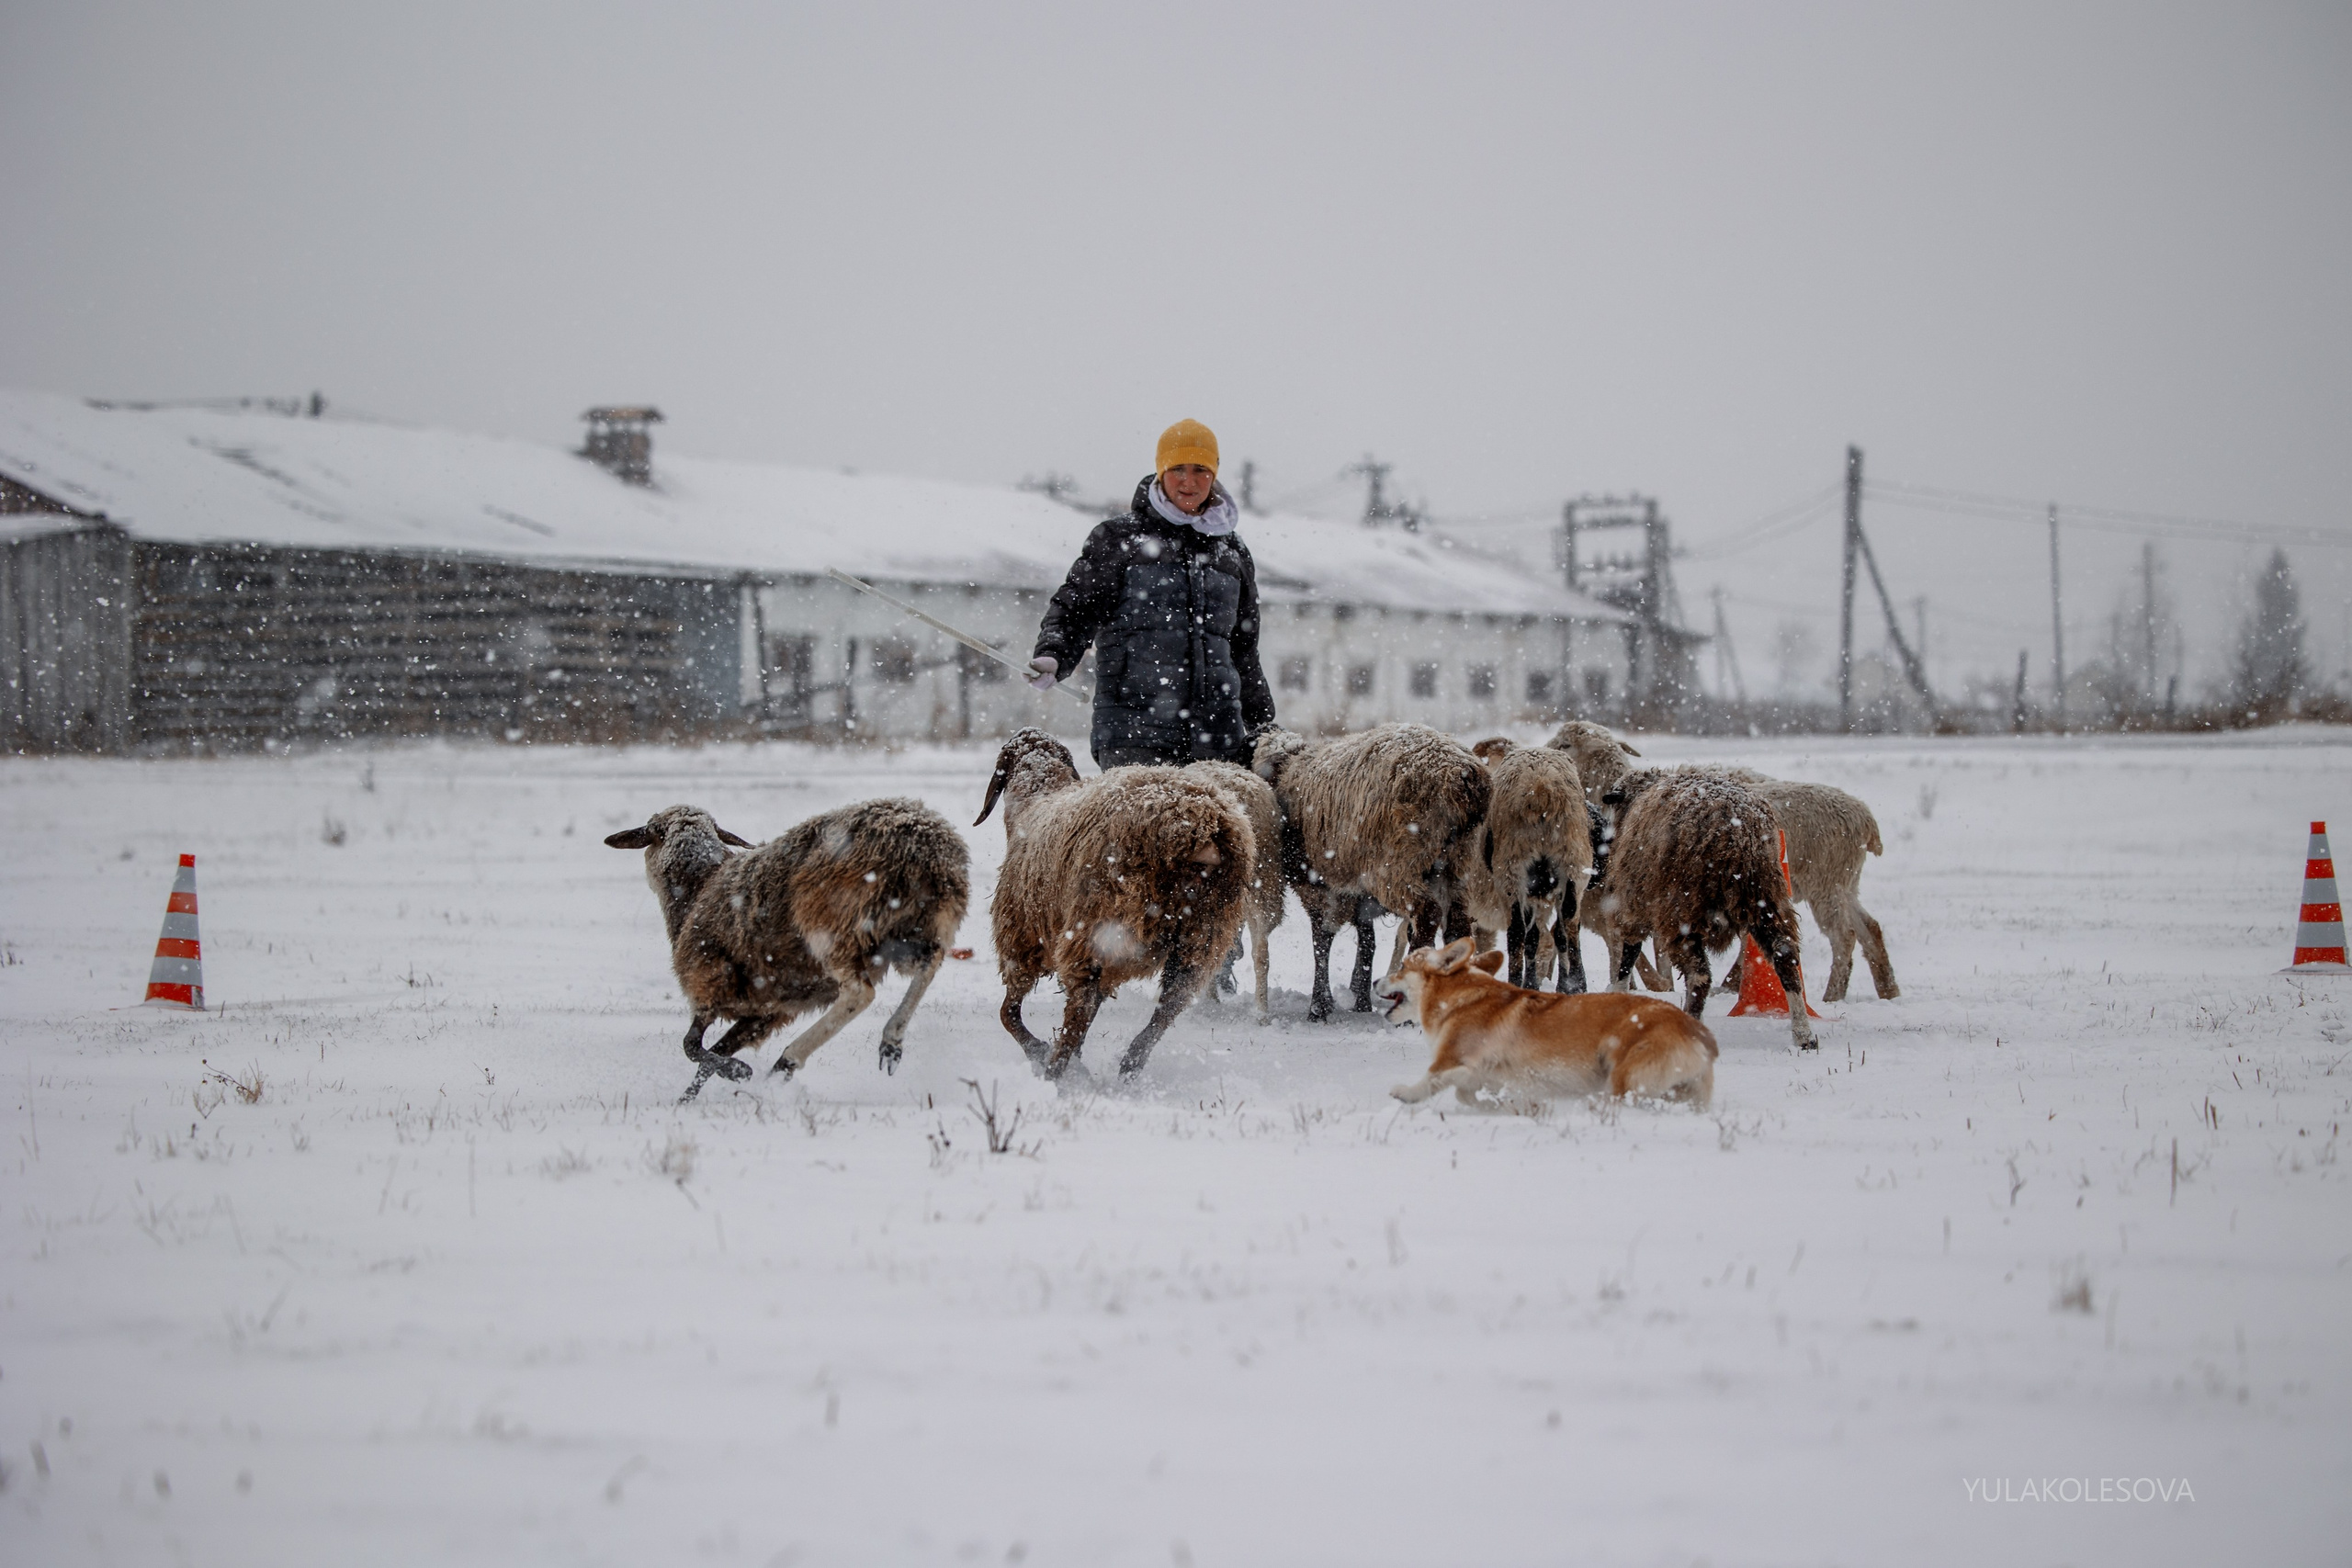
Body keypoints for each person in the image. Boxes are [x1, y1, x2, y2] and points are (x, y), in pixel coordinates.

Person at [1025, 419, 1276, 770]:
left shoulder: (1232, 552)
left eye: (1200, 469)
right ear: (1160, 472)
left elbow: (1243, 650)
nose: (1188, 481)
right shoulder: (1119, 539)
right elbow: (1076, 609)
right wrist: (1054, 654)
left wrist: (1263, 724)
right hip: (1135, 734)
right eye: (1177, 469)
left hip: (1219, 740)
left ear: (1214, 474)